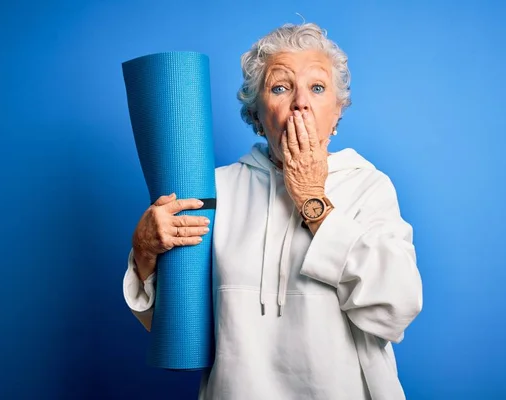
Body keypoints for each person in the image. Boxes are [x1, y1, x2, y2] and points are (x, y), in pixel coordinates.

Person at [123, 22, 423, 400]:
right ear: (257, 114)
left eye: (317, 88)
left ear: (336, 113)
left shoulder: (369, 186)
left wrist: (313, 201)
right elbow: (175, 323)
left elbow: (397, 308)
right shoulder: (215, 189)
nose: (300, 102)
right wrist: (145, 252)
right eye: (280, 88)